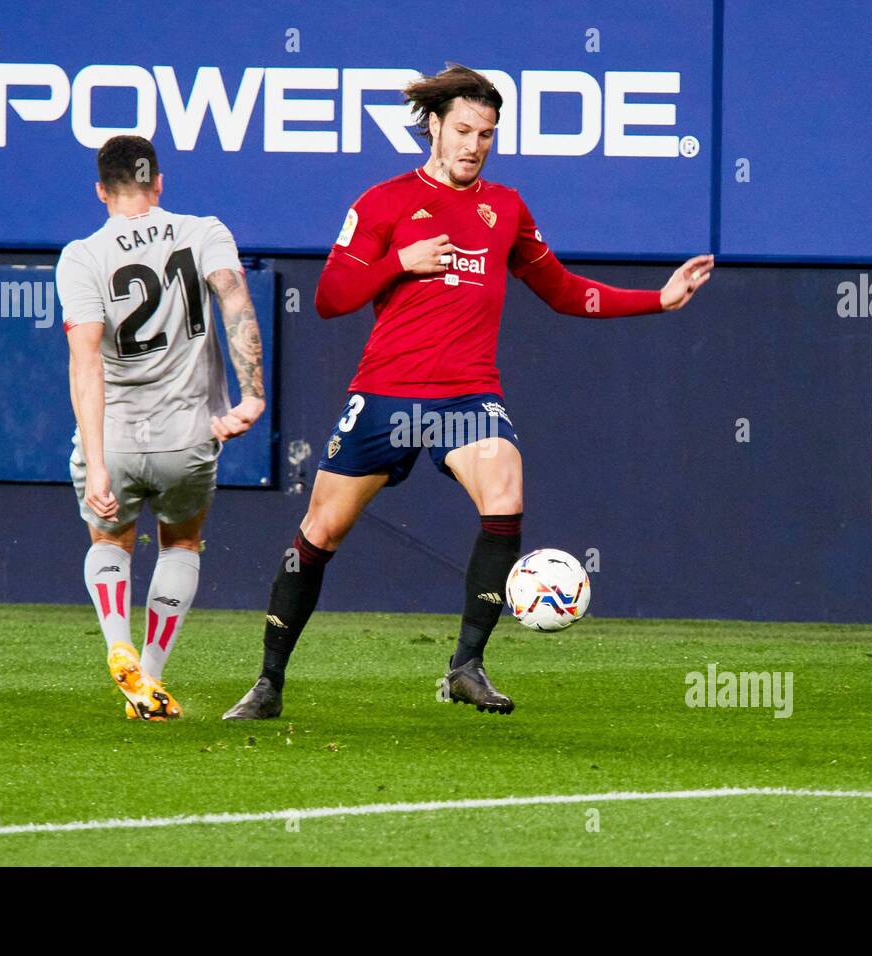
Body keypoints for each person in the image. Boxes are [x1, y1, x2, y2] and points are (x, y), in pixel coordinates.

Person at [222, 65, 711, 719]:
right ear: (432, 125)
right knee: (321, 531)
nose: (473, 144)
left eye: (486, 134)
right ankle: (268, 683)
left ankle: (466, 667)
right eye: (462, 129)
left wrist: (659, 298)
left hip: (465, 398)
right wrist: (402, 261)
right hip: (386, 395)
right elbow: (331, 297)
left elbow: (564, 291)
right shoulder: (383, 202)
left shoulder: (504, 209)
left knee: (505, 489)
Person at [57, 135, 265, 720]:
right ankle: (149, 673)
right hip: (189, 434)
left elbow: (85, 361)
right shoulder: (204, 232)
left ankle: (117, 644)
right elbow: (235, 300)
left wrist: (96, 463)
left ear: (101, 189)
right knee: (181, 541)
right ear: (160, 182)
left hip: (116, 436)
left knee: (109, 540)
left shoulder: (82, 256)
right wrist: (252, 396)